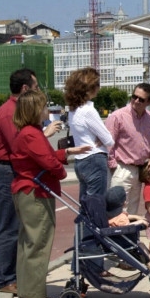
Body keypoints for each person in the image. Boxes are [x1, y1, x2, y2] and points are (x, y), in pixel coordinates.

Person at [11, 90, 90, 298]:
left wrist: (67, 153)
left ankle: (27, 290)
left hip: (26, 190)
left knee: (28, 244)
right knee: (39, 243)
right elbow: (47, 161)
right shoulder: (32, 133)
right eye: (45, 106)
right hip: (36, 192)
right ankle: (35, 295)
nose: (48, 110)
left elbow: (39, 157)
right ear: (35, 109)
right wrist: (61, 171)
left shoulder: (26, 132)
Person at [0, 68, 61, 295]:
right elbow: (20, 146)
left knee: (17, 228)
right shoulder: (11, 112)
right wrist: (44, 136)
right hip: (6, 172)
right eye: (37, 87)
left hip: (10, 171)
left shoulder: (13, 111)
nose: (39, 91)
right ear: (25, 89)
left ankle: (14, 275)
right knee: (8, 228)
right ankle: (3, 279)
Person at [105, 82, 150, 215]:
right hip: (121, 168)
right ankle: (116, 236)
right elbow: (107, 143)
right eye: (134, 97)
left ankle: (131, 236)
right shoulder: (118, 116)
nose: (136, 101)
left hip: (139, 171)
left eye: (141, 99)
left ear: (149, 101)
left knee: (133, 212)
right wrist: (113, 166)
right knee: (117, 212)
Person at [64, 67, 115, 201]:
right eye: (97, 85)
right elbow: (109, 140)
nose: (99, 88)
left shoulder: (73, 110)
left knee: (85, 203)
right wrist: (101, 139)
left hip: (80, 160)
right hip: (95, 158)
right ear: (90, 88)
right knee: (96, 203)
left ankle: (83, 223)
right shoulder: (88, 111)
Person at [105, 185, 150, 272]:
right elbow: (126, 227)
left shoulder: (110, 215)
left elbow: (124, 217)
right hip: (124, 242)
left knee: (140, 244)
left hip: (113, 241)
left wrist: (135, 216)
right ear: (124, 203)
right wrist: (139, 222)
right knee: (140, 245)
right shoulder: (122, 218)